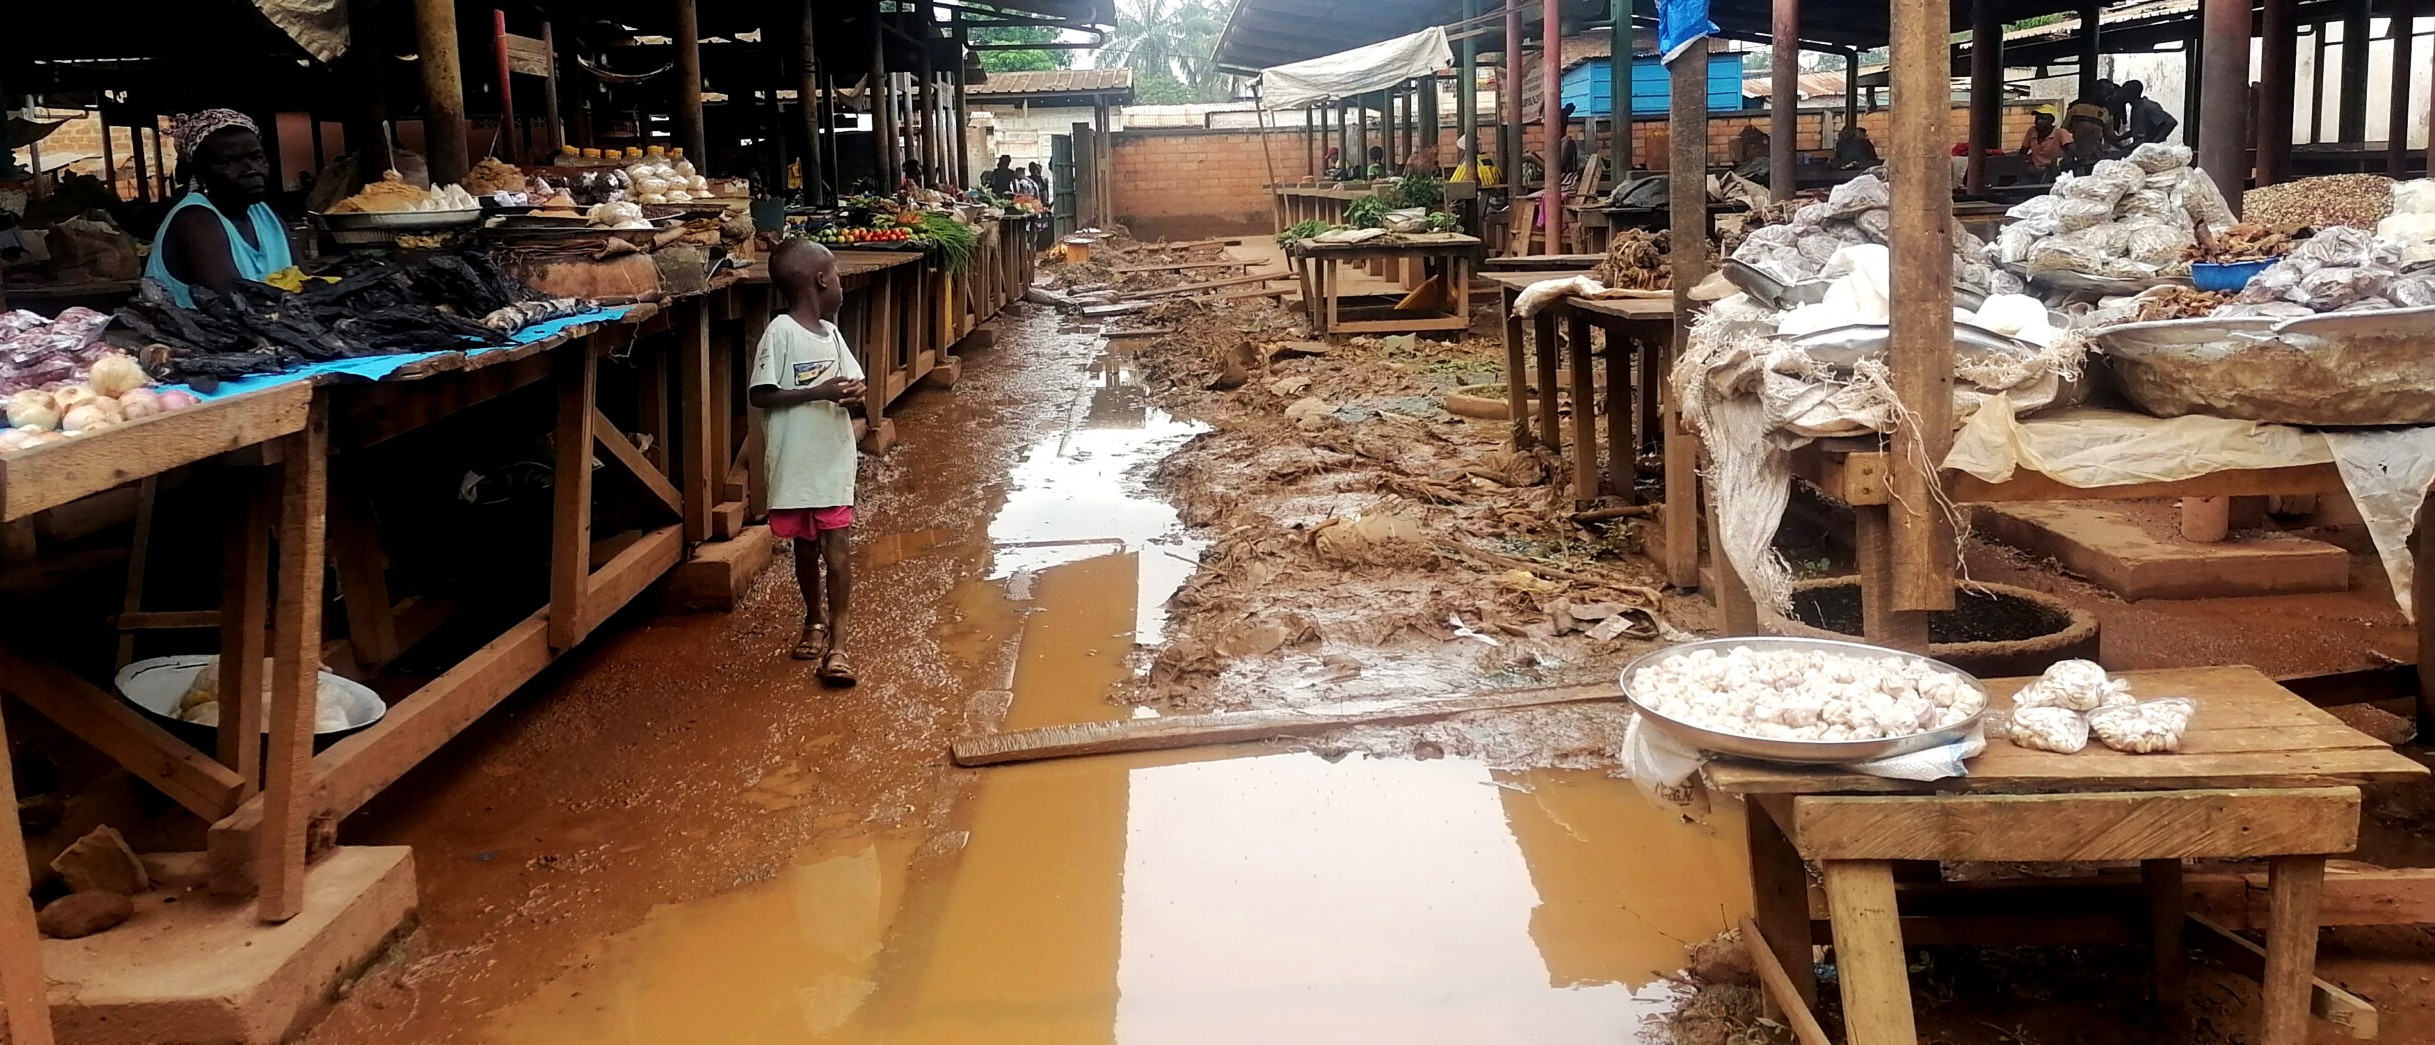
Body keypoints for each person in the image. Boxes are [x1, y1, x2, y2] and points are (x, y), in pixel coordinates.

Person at [751, 239, 869, 685]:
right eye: (836, 274)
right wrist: (817, 392)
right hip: (795, 464)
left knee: (837, 550)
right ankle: (814, 618)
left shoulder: (832, 333)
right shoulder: (780, 332)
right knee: (804, 547)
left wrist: (856, 393)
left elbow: (854, 381)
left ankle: (838, 646)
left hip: (832, 460)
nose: (839, 282)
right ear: (821, 281)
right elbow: (760, 394)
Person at [145, 109, 291, 308]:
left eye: (256, 157)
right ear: (201, 173)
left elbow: (304, 280)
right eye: (228, 162)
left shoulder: (265, 214)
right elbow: (239, 303)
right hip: (196, 337)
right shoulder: (195, 220)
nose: (251, 169)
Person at [2120, 81, 2178, 146]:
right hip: (2138, 146)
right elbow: (2137, 131)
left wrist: (2154, 143)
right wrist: (2118, 138)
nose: (2122, 95)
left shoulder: (2148, 106)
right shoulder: (2136, 108)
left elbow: (2171, 122)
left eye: (2124, 92)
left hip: (2148, 149)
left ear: (2130, 93)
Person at [2019, 108, 2066, 173]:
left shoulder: (2060, 133)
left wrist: (2060, 166)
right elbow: (2022, 152)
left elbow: (2072, 152)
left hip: (2054, 171)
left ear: (2052, 120)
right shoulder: (2032, 131)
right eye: (2037, 118)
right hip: (2035, 171)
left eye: (2043, 119)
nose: (2039, 121)